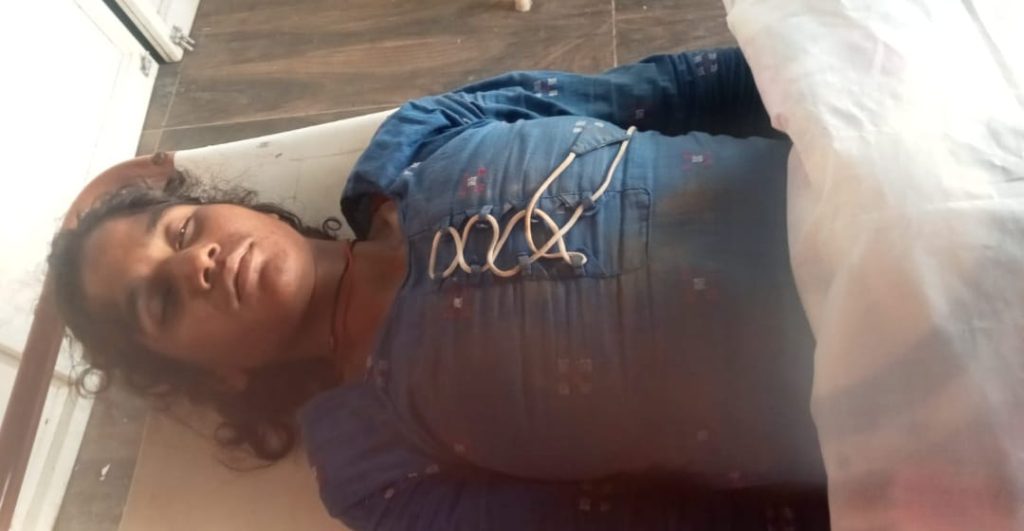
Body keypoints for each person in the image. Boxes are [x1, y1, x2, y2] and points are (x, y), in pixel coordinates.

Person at [50, 47, 829, 529]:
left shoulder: (420, 138)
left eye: (182, 230)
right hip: (868, 402)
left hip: (860, 191)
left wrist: (850, 91)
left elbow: (672, 91)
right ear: (219, 374)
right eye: (161, 301)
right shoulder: (372, 470)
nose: (195, 264)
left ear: (233, 205)